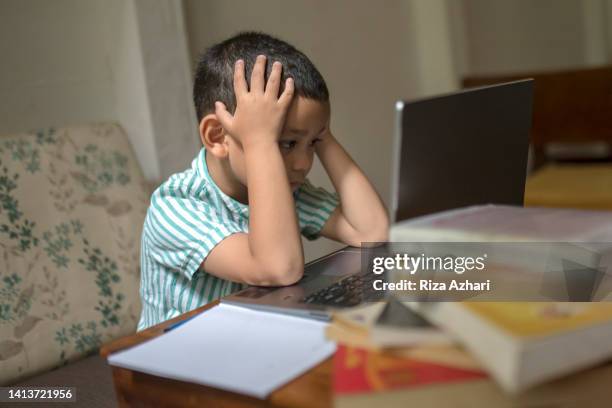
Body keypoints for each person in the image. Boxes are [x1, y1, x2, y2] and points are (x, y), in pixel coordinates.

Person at [138, 32, 388, 330]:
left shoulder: (290, 193)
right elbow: (278, 268)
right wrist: (260, 141)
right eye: (286, 143)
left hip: (250, 339)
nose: (304, 164)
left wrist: (324, 135)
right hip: (173, 360)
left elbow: (372, 231)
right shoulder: (174, 209)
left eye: (311, 144)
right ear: (218, 137)